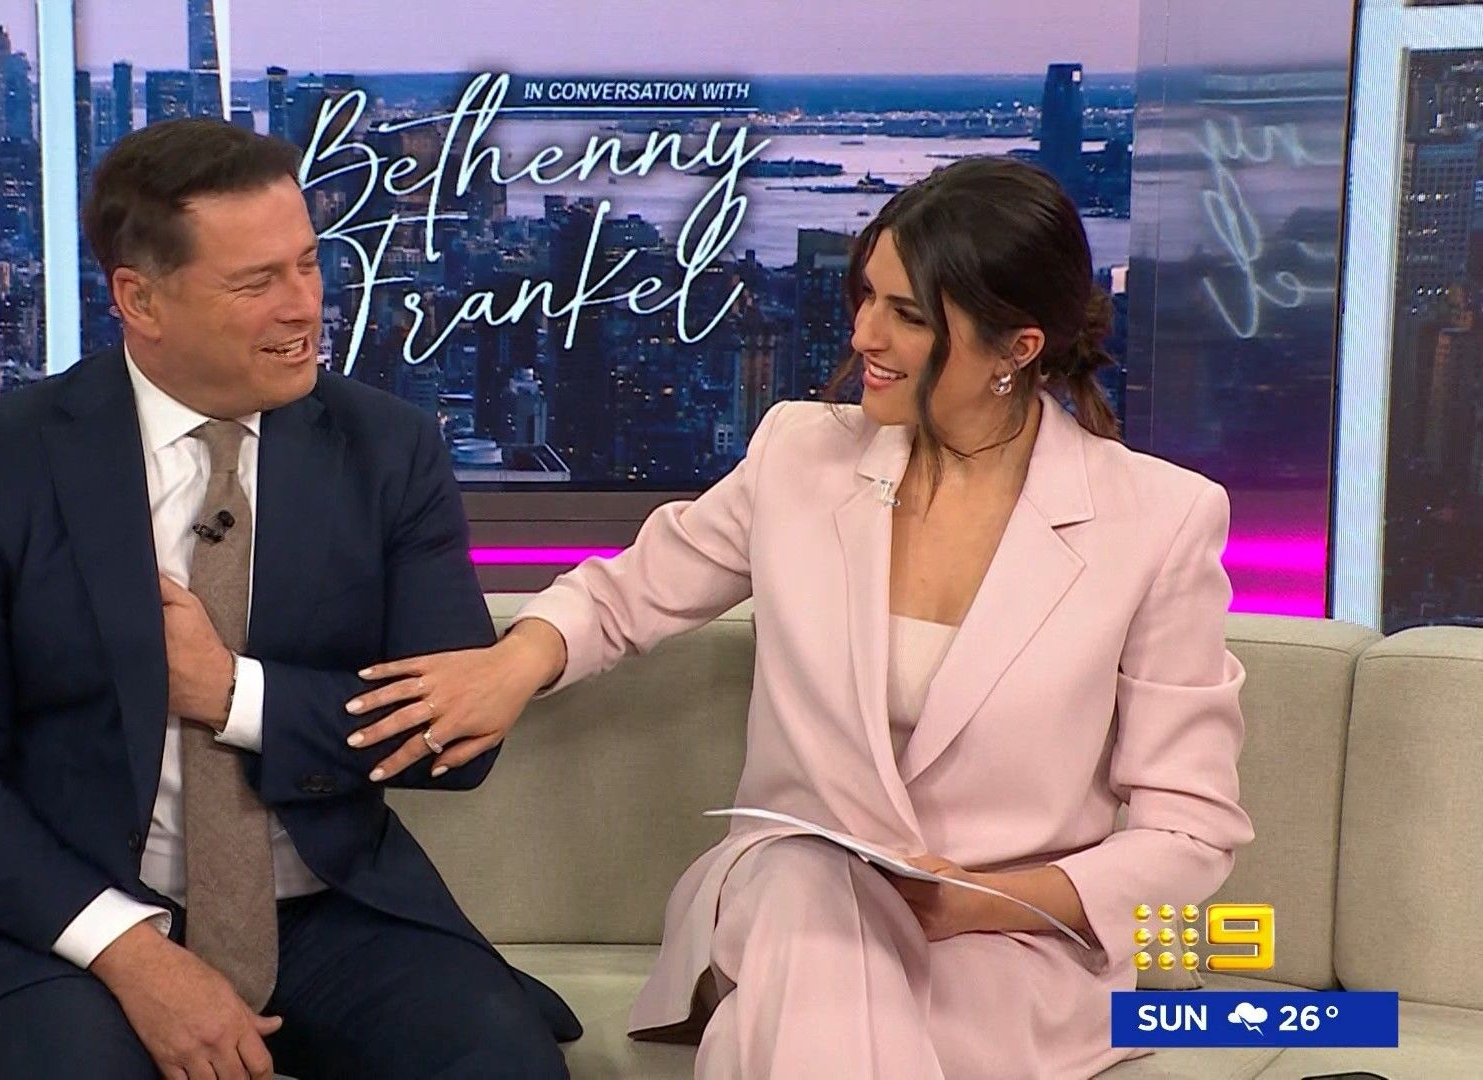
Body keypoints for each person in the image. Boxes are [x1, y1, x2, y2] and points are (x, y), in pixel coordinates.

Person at [345, 157, 1254, 1079]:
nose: (863, 334)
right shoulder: (798, 456)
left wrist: (976, 901)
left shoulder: (1158, 521)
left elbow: (1189, 833)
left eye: (907, 315)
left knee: (762, 1037)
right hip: (782, 894)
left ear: (1015, 349)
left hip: (1003, 944)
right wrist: (512, 664)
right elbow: (627, 594)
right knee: (810, 883)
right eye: (866, 297)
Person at [0, 118, 577, 1080]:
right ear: (140, 300)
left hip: (329, 910)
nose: (304, 306)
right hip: (70, 926)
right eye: (256, 283)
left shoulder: (390, 452)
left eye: (309, 265)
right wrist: (130, 951)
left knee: (501, 1065)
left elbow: (449, 744)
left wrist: (235, 695)